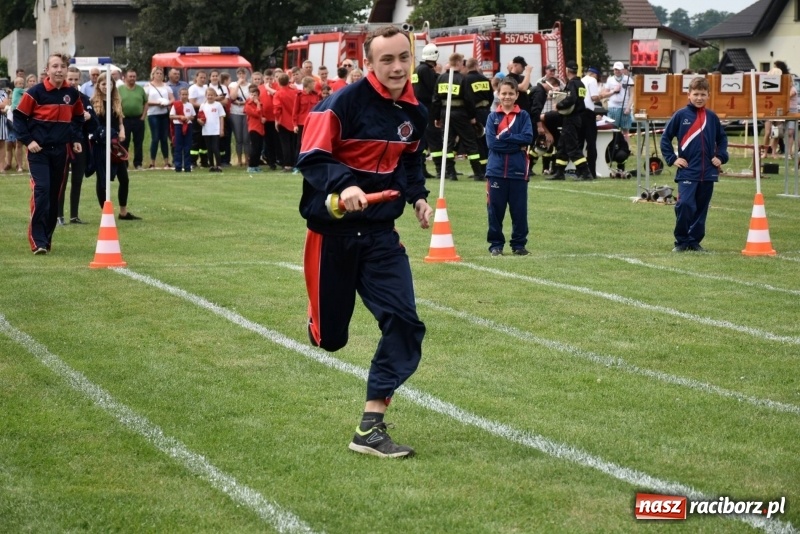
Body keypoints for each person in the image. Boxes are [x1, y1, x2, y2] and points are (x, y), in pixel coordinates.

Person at [297, 25, 433, 458]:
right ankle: (318, 320)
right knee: (332, 340)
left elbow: (410, 163)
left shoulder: (416, 114)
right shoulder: (341, 104)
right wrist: (344, 185)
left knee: (405, 323)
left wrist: (418, 198)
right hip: (332, 234)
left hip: (379, 237)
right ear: (369, 63)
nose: (396, 67)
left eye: (402, 58)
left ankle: (370, 427)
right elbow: (312, 157)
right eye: (386, 60)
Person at [13, 53, 85, 254]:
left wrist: (76, 139)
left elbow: (78, 119)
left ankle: (46, 239)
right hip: (39, 152)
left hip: (60, 151)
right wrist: (29, 140)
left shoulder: (73, 94)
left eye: (62, 66)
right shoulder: (35, 92)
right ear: (47, 70)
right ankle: (37, 240)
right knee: (42, 191)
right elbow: (18, 118)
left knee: (54, 195)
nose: (59, 70)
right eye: (55, 66)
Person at [660, 77, 728, 253]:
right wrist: (673, 159)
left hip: (708, 173)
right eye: (696, 94)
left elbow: (722, 139)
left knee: (701, 208)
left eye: (703, 94)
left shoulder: (712, 117)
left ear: (708, 96)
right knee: (685, 205)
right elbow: (665, 138)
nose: (699, 98)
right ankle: (681, 241)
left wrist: (720, 156)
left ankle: (694, 241)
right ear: (688, 94)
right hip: (688, 171)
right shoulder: (681, 115)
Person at [485, 78, 533, 257]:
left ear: (517, 95)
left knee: (519, 210)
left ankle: (519, 245)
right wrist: (515, 143)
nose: (507, 96)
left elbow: (527, 138)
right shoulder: (492, 117)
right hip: (496, 171)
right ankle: (496, 245)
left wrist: (504, 138)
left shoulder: (524, 116)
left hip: (518, 170)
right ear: (498, 94)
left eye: (511, 93)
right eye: (503, 93)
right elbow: (491, 143)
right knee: (495, 211)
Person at [91, 73, 139, 220]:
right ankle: (105, 213)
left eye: (109, 84)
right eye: (103, 84)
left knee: (124, 178)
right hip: (100, 145)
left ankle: (123, 212)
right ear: (98, 86)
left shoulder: (116, 101)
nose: (106, 87)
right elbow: (93, 125)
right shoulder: (93, 102)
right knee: (102, 180)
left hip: (116, 144)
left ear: (113, 85)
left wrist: (122, 130)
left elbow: (119, 121)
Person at [430, 53, 483, 181]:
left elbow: (435, 100)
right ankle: (478, 173)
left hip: (444, 113)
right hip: (461, 114)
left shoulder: (441, 78)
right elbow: (468, 100)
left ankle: (450, 173)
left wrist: (436, 117)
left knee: (447, 144)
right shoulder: (462, 79)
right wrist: (472, 116)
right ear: (459, 63)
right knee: (470, 142)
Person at [57, 66, 96, 225]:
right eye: (70, 79)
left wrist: (89, 117)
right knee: (62, 181)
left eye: (75, 79)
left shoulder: (84, 99)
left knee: (78, 180)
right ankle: (59, 216)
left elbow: (95, 125)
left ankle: (74, 216)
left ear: (80, 80)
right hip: (63, 144)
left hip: (81, 144)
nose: (72, 82)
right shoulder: (59, 97)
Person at [551, 60, 591, 181]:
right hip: (575, 117)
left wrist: (559, 105)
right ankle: (559, 172)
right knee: (562, 146)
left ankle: (585, 172)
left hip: (571, 118)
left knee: (572, 147)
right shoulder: (581, 84)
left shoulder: (572, 84)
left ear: (567, 70)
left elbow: (571, 99)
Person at [464, 57, 492, 180]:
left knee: (477, 141)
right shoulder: (485, 79)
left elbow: (468, 99)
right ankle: (486, 168)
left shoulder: (466, 80)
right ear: (476, 66)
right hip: (487, 112)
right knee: (486, 140)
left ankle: (481, 170)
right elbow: (491, 97)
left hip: (475, 114)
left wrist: (471, 116)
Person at [144, 67, 174, 169]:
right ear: (153, 74)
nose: (159, 75)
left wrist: (167, 103)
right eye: (157, 73)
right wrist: (157, 103)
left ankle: (166, 162)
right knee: (155, 138)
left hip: (164, 114)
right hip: (153, 114)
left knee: (164, 138)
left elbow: (172, 98)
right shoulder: (148, 86)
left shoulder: (167, 86)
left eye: (161, 73)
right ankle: (152, 162)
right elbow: (145, 101)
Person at [118, 69, 147, 170]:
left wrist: (143, 117)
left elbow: (146, 102)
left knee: (138, 142)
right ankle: (124, 164)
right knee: (123, 142)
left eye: (134, 76)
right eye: (130, 76)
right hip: (125, 120)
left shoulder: (140, 89)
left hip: (138, 119)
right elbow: (117, 104)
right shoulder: (119, 89)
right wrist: (120, 118)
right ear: (125, 78)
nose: (132, 78)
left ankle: (138, 163)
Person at [198, 87, 225, 172]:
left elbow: (221, 117)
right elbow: (199, 116)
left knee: (215, 148)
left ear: (215, 96)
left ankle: (219, 165)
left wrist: (221, 129)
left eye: (212, 95)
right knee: (209, 149)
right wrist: (200, 121)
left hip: (215, 130)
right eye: (208, 95)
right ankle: (211, 165)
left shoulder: (218, 105)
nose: (210, 97)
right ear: (206, 96)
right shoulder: (203, 105)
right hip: (206, 130)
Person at [169, 87, 195, 172]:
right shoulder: (176, 104)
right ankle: (178, 166)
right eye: (183, 94)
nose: (184, 96)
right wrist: (180, 117)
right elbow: (171, 116)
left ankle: (187, 166)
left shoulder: (190, 105)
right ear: (179, 95)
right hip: (178, 126)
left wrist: (189, 118)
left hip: (188, 126)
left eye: (186, 94)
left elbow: (193, 116)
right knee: (178, 146)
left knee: (187, 147)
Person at [605, 62, 633, 140]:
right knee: (613, 129)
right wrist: (613, 90)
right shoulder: (610, 80)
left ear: (623, 70)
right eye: (615, 69)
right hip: (612, 107)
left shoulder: (628, 79)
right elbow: (605, 93)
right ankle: (613, 148)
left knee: (625, 130)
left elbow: (632, 94)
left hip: (624, 107)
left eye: (619, 69)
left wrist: (628, 107)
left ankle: (626, 149)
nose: (617, 71)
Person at [244, 84, 265, 172]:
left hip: (260, 128)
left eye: (255, 95)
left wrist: (264, 118)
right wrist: (258, 105)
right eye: (252, 95)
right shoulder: (248, 105)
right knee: (254, 147)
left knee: (259, 148)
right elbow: (256, 113)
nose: (253, 97)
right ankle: (251, 165)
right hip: (253, 128)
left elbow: (262, 114)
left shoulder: (260, 103)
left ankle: (256, 165)